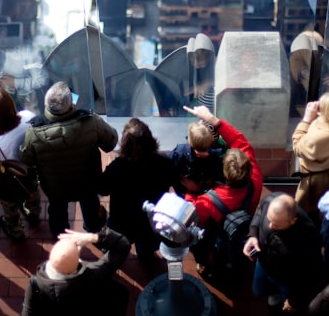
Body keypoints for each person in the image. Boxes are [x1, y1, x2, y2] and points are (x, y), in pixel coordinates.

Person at [20, 82, 118, 237]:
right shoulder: (91, 121)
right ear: (72, 105)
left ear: (46, 105)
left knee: (57, 211)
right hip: (87, 182)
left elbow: (26, 161)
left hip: (55, 187)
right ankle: (93, 231)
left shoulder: (34, 132)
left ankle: (62, 239)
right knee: (90, 205)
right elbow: (111, 143)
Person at [181, 105, 264, 274]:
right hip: (242, 219)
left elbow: (191, 215)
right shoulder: (255, 175)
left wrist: (191, 191)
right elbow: (239, 139)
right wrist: (212, 119)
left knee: (202, 245)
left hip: (217, 237)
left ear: (225, 172)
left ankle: (206, 265)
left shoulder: (209, 201)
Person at [21, 227, 131, 316]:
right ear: (78, 259)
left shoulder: (35, 284)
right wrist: (91, 237)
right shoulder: (95, 275)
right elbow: (122, 245)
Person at [242, 194, 323, 316]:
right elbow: (260, 213)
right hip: (265, 264)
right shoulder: (271, 200)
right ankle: (276, 293)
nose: (271, 226)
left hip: (289, 280)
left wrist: (294, 301)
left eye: (277, 225)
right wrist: (253, 234)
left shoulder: (308, 240)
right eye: (270, 220)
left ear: (293, 221)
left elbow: (308, 276)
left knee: (292, 309)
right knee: (258, 291)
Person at [98, 118, 177, 261]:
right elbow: (176, 184)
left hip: (122, 220)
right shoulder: (164, 163)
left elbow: (102, 190)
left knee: (114, 246)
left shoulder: (117, 167)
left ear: (125, 143)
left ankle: (110, 256)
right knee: (147, 250)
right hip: (150, 219)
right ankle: (145, 257)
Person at [0, 86, 41, 240]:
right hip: (29, 170)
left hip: (8, 180)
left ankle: (15, 231)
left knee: (10, 206)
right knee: (32, 192)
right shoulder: (27, 117)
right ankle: (33, 215)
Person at [168, 117, 226, 197]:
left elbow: (169, 172)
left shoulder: (178, 153)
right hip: (207, 196)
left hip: (183, 194)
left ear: (190, 142)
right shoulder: (216, 157)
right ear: (212, 140)